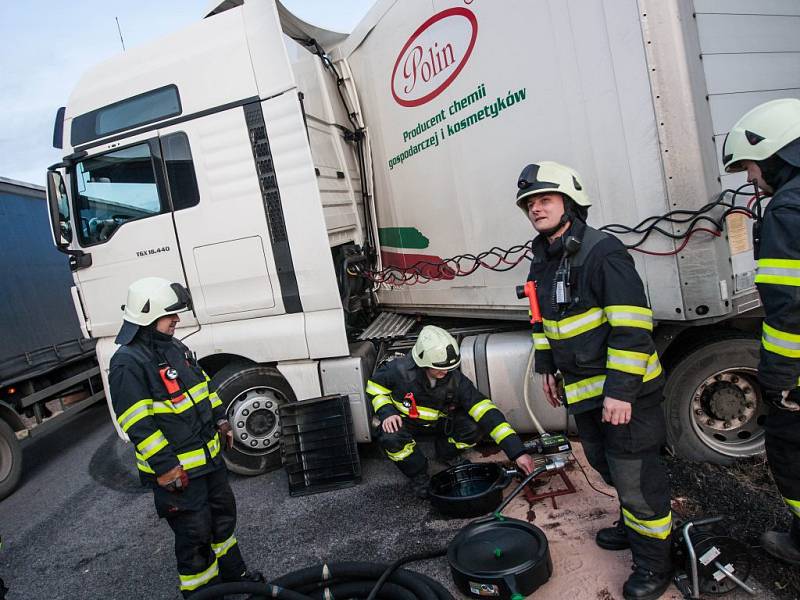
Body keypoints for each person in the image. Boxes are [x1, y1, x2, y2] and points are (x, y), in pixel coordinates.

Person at [518, 162, 672, 600]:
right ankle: (632, 525)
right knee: (606, 467)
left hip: (626, 394)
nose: (536, 208)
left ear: (569, 203)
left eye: (545, 199)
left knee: (637, 479)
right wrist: (547, 366)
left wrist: (621, 391)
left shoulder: (603, 252)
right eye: (530, 203)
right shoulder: (543, 260)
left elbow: (633, 325)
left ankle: (655, 564)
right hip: (585, 391)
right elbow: (542, 321)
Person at [109, 277, 262, 597]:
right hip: (177, 474)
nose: (177, 319)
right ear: (148, 319)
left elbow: (204, 387)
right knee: (195, 535)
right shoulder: (127, 362)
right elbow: (138, 424)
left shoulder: (175, 347)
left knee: (223, 522)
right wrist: (165, 467)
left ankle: (236, 576)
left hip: (208, 463)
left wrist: (222, 420)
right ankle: (201, 593)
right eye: (170, 316)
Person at [722, 98, 800, 565]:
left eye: (751, 166)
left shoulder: (788, 211)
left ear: (777, 152)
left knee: (791, 459)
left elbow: (790, 309)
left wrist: (780, 381)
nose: (752, 178)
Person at [366, 325, 535, 497]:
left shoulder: (456, 381)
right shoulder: (397, 371)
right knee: (390, 436)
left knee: (474, 427)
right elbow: (374, 388)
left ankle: (446, 453)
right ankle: (418, 474)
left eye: (449, 367)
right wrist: (387, 413)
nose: (445, 371)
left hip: (441, 424)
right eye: (439, 368)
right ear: (423, 362)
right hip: (405, 421)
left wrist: (518, 453)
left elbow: (487, 412)